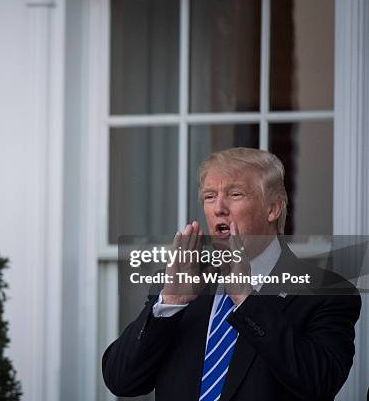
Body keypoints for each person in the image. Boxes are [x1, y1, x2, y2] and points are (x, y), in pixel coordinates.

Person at [102, 148, 361, 401]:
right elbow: (121, 380)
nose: (218, 209)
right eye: (209, 196)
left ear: (273, 209)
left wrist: (247, 301)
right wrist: (170, 303)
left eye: (235, 194)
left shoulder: (326, 292)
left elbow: (319, 384)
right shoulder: (183, 284)